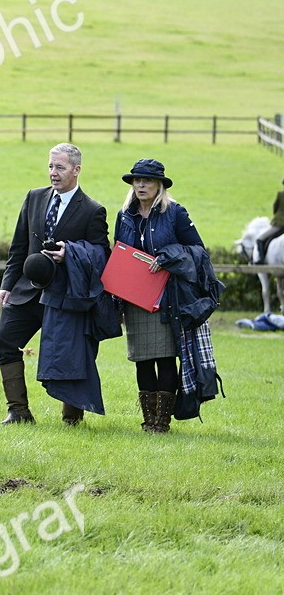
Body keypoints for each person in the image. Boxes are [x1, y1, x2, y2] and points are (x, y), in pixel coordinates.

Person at [0, 143, 108, 425]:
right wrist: (7, 284)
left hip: (66, 294)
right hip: (26, 290)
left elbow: (102, 254)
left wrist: (70, 252)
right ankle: (18, 411)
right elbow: (19, 246)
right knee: (3, 339)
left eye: (60, 167)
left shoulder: (93, 210)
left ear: (76, 170)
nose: (53, 173)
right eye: (50, 166)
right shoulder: (33, 198)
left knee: (73, 352)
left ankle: (72, 416)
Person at [114, 159, 208, 434]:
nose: (141, 185)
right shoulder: (124, 215)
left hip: (167, 297)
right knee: (142, 358)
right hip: (134, 297)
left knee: (165, 357)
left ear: (159, 186)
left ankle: (162, 422)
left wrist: (168, 256)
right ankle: (148, 421)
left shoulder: (175, 212)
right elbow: (119, 252)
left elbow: (198, 250)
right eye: (137, 180)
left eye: (147, 180)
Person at [254, 176, 284, 264]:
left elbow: (275, 207)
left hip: (279, 224)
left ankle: (261, 261)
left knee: (260, 239)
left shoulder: (280, 194)